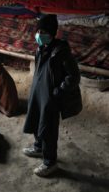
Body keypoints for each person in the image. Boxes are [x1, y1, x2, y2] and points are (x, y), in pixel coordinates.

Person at [22, 14, 82, 177]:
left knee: (47, 128)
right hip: (37, 93)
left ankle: (50, 162)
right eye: (38, 31)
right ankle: (38, 147)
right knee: (35, 119)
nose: (39, 35)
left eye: (43, 31)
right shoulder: (40, 48)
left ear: (51, 33)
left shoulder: (61, 51)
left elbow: (74, 77)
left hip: (50, 97)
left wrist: (59, 91)